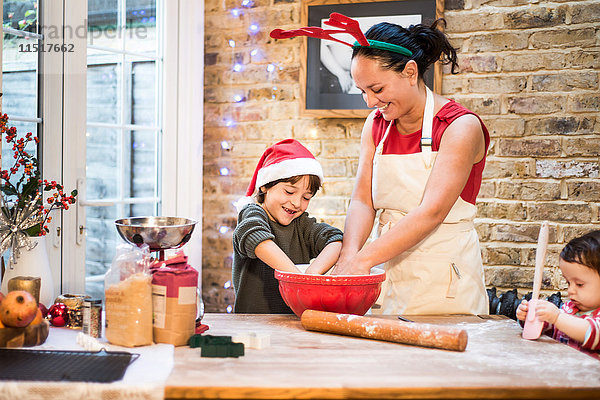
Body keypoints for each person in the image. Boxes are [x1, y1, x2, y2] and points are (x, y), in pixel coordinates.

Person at [331, 19, 490, 316]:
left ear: (410, 72)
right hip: (386, 271)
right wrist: (349, 255)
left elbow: (431, 212)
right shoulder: (376, 125)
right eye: (362, 91)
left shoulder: (459, 127)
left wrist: (361, 261)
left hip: (445, 279)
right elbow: (362, 200)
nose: (369, 102)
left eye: (377, 88)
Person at [232, 139, 343, 313]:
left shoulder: (302, 224)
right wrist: (297, 279)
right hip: (253, 325)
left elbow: (336, 240)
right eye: (289, 192)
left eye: (306, 197)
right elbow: (256, 237)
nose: (296, 203)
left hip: (295, 323)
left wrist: (312, 274)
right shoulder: (252, 213)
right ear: (265, 186)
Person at [516, 231, 600, 360]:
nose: (571, 290)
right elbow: (551, 329)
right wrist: (533, 317)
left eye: (579, 284)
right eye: (568, 282)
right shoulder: (570, 308)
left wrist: (557, 317)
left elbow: (591, 333)